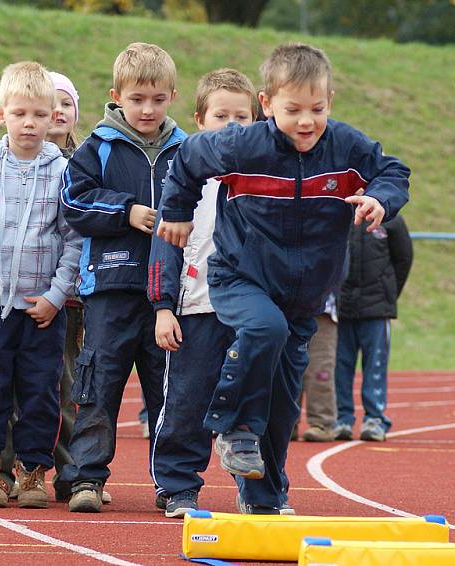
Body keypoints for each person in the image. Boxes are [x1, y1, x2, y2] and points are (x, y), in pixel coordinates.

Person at [156, 43, 410, 514]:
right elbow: (189, 157)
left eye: (317, 108)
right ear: (267, 105)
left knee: (281, 403)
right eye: (293, 110)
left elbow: (393, 170)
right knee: (262, 328)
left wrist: (381, 198)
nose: (306, 121)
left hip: (305, 295)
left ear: (329, 101)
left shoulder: (346, 146)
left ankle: (266, 498)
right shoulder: (242, 144)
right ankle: (231, 424)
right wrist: (176, 214)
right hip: (240, 277)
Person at [0, 61, 81, 509]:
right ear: (1, 114)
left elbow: (73, 240)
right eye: (20, 113)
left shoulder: (63, 172)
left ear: (54, 118)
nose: (30, 123)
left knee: (42, 391)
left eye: (40, 114)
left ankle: (32, 472)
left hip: (41, 308)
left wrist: (56, 296)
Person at [59, 42, 187, 513]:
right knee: (97, 385)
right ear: (117, 96)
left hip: (168, 296)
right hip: (111, 290)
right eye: (137, 100)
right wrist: (125, 211)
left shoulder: (186, 150)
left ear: (172, 95)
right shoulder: (98, 148)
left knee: (168, 391)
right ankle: (86, 479)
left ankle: (173, 484)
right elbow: (73, 203)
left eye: (157, 99)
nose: (147, 109)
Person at [148, 68, 256, 518]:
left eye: (243, 117)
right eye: (220, 116)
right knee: (187, 401)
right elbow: (165, 247)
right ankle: (177, 485)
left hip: (249, 312)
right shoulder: (186, 176)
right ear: (199, 119)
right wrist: (161, 308)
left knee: (252, 403)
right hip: (194, 310)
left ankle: (260, 493)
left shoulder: (267, 180)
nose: (231, 126)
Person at [334, 214, 413, 442]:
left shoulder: (392, 220)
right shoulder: (336, 214)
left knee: (375, 365)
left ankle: (375, 419)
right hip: (341, 309)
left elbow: (403, 259)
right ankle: (343, 420)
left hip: (377, 309)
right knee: (340, 366)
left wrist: (388, 293)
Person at [294, 293, 339, 442]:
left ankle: (322, 423)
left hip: (323, 312)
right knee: (289, 368)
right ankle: (286, 423)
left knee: (320, 371)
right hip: (290, 310)